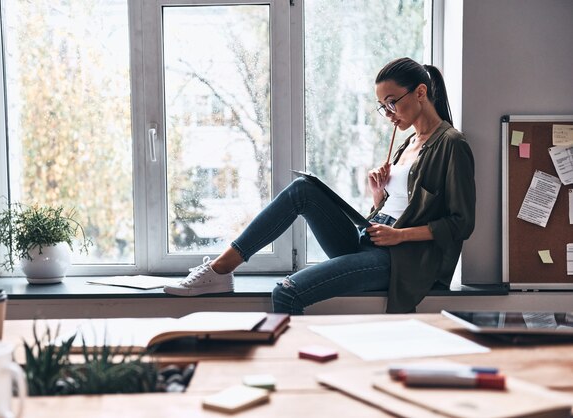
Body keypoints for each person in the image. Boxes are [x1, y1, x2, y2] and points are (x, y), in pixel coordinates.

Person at [164, 57, 475, 314]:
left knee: (285, 294)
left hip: (402, 259)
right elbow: (401, 207)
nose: (389, 113)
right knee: (304, 189)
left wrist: (399, 235)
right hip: (373, 239)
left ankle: (293, 376)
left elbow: (461, 224)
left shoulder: (452, 144)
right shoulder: (408, 143)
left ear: (420, 92)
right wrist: (378, 196)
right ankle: (221, 269)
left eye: (393, 102)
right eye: (383, 106)